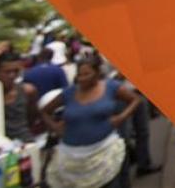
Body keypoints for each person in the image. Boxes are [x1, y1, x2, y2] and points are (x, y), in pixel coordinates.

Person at [41, 54, 141, 188]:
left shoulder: (111, 87)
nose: (82, 78)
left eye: (86, 74)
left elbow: (135, 99)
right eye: (79, 75)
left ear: (97, 73)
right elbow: (44, 111)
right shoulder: (69, 93)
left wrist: (121, 117)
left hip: (105, 154)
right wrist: (55, 127)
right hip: (73, 159)